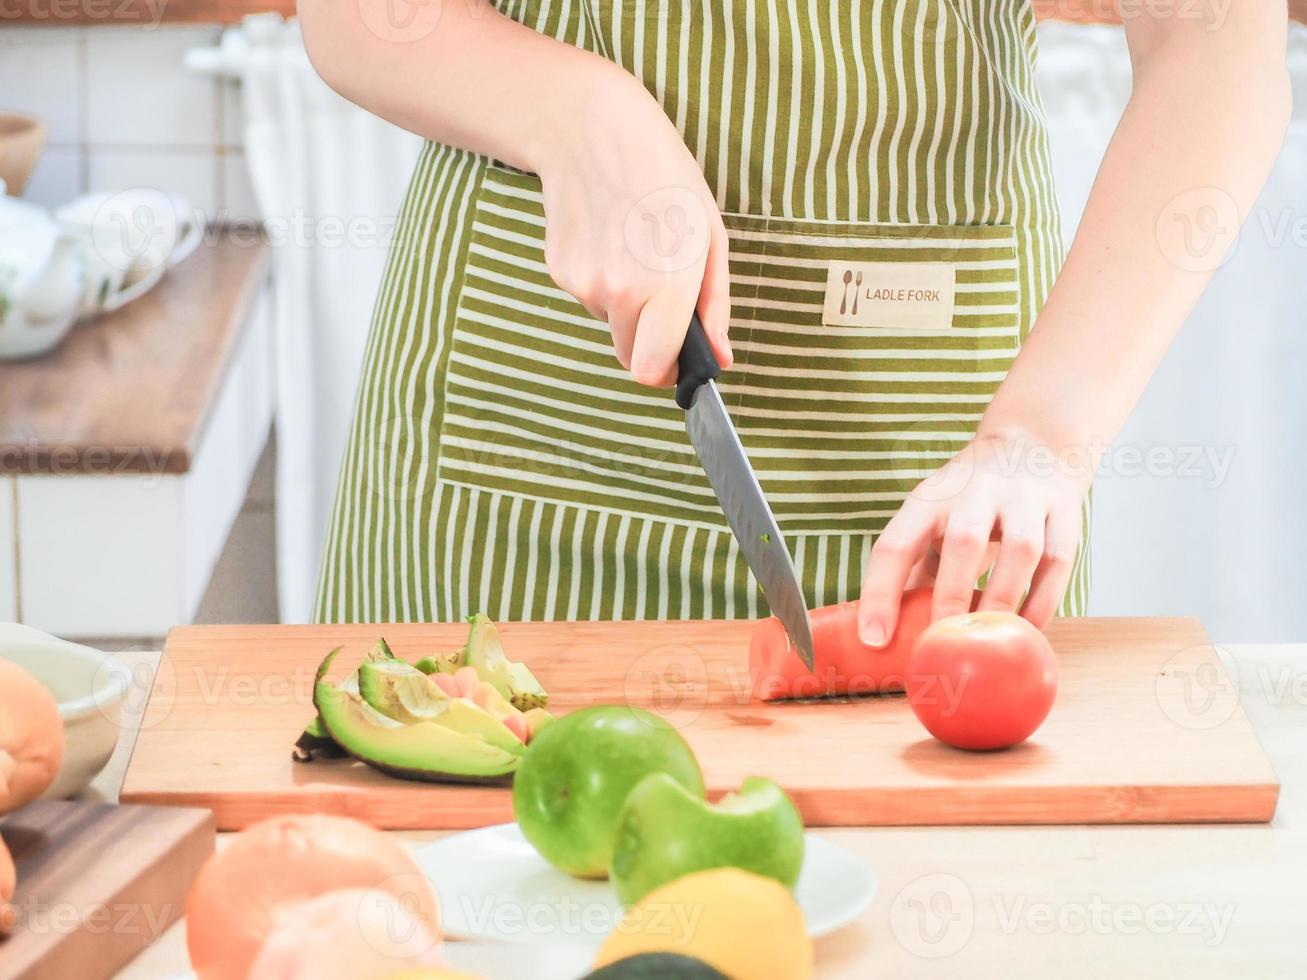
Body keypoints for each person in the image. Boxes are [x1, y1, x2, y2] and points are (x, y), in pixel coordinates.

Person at [299, 0, 1288, 641]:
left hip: (942, 485)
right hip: (513, 468)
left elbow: (1214, 40)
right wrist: (573, 114)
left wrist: (1037, 437)